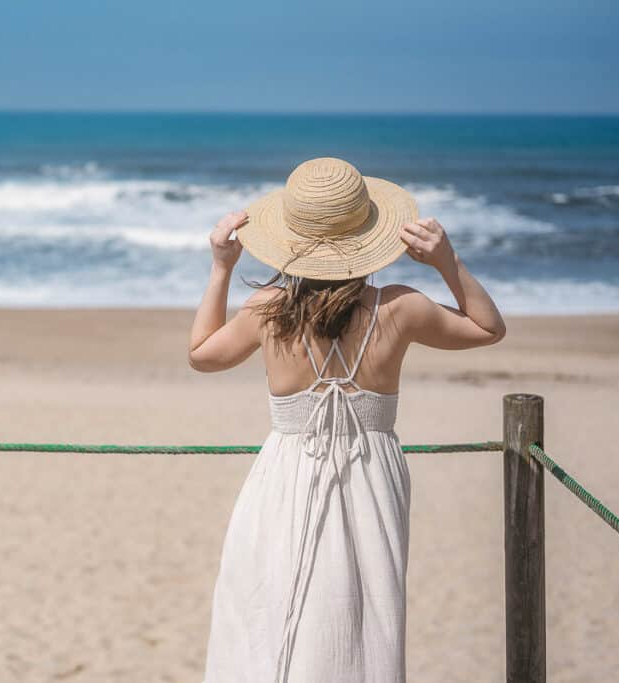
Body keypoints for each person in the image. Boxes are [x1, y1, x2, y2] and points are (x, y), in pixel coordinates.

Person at [189, 157, 506, 682]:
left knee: (274, 606)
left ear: (290, 240)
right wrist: (447, 262)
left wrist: (221, 267)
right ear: (367, 238)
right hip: (371, 472)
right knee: (365, 619)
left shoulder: (267, 310)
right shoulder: (400, 308)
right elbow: (487, 328)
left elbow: (201, 354)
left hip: (286, 472)